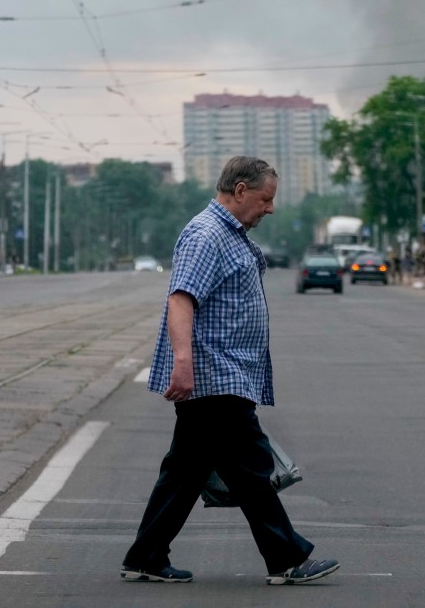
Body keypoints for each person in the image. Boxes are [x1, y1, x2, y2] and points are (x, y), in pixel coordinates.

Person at [120, 156, 338, 587]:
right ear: (240, 190)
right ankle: (287, 557)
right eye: (265, 199)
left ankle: (145, 555)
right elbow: (181, 299)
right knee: (251, 467)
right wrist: (183, 363)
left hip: (226, 372)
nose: (270, 208)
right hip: (215, 375)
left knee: (185, 471)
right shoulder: (207, 235)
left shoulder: (228, 234)